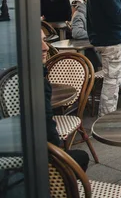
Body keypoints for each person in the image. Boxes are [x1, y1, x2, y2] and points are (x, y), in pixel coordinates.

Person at [41, 30, 90, 171]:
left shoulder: (18, 78)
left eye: (45, 40)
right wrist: (57, 155)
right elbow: (48, 132)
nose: (45, 47)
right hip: (46, 159)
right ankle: (64, 189)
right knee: (82, 157)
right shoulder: (37, 84)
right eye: (37, 42)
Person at [70, 0, 102, 70]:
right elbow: (76, 33)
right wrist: (96, 34)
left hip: (98, 48)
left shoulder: (95, 13)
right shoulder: (80, 15)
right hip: (92, 51)